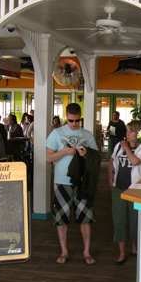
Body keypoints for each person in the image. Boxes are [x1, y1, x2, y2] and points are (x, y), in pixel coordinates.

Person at [45, 103, 98, 265]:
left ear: (80, 117)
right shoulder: (56, 133)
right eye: (71, 121)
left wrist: (85, 154)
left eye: (77, 121)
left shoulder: (87, 134)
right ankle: (64, 251)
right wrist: (63, 152)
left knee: (85, 218)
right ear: (65, 118)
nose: (74, 124)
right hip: (62, 181)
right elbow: (48, 158)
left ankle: (86, 252)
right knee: (61, 218)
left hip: (82, 182)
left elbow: (95, 158)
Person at [108, 120, 141, 265]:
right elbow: (111, 161)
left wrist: (127, 148)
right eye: (127, 131)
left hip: (135, 189)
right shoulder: (119, 145)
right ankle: (121, 252)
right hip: (119, 187)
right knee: (119, 219)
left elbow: (135, 162)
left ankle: (133, 247)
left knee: (134, 219)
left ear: (138, 133)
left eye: (130, 131)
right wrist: (110, 179)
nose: (127, 134)